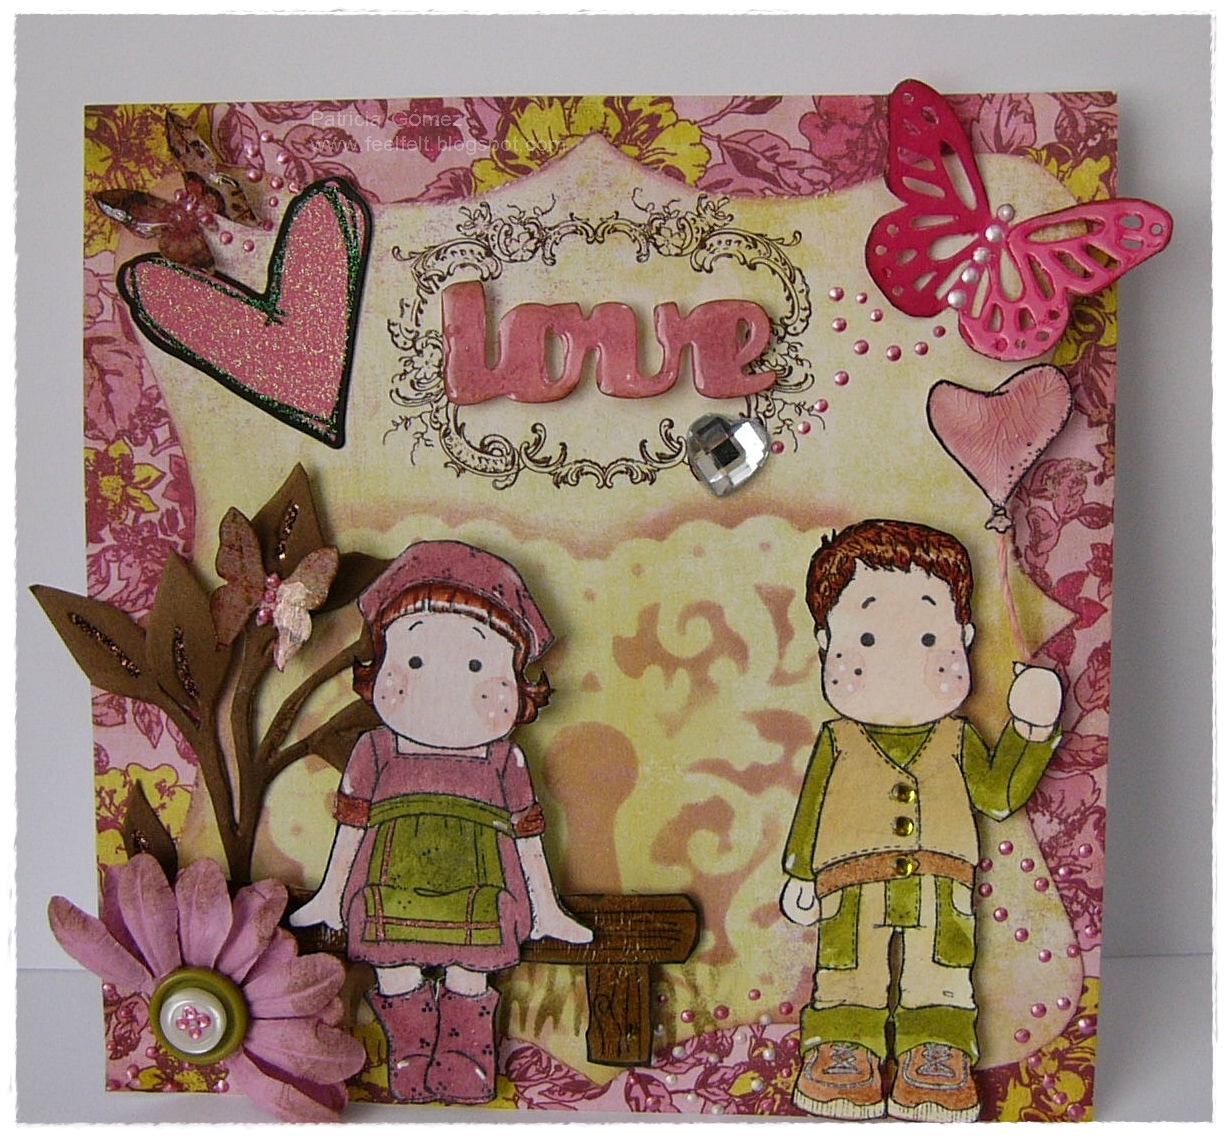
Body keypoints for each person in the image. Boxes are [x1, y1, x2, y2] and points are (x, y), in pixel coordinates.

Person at [780, 519, 1062, 1122]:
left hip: (941, 880)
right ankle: (842, 1048)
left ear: (964, 636)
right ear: (825, 641)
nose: (901, 659)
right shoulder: (837, 739)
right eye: (868, 639)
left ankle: (936, 1053)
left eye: (930, 638)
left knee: (942, 971)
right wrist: (801, 874)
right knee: (847, 968)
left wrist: (1032, 729)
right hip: (849, 882)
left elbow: (998, 795)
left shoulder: (958, 738)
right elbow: (811, 810)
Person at [291, 539, 590, 1104]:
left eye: (476, 665)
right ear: (381, 666)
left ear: (516, 681)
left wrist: (546, 907)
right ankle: (407, 1052)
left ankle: (465, 1058)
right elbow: (352, 826)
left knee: (470, 975)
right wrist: (331, 896)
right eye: (415, 661)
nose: (441, 683)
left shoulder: (504, 760)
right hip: (387, 890)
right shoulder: (375, 751)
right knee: (395, 970)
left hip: (481, 891)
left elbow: (528, 836)